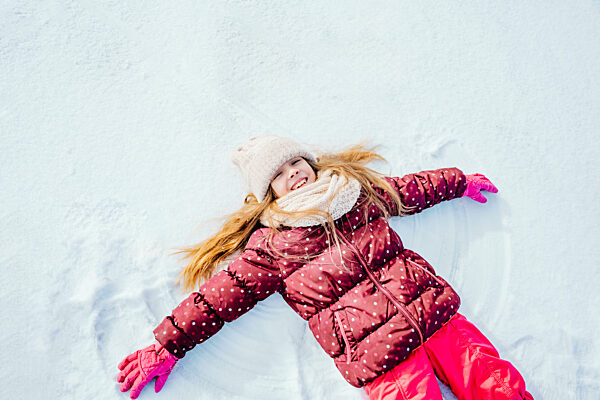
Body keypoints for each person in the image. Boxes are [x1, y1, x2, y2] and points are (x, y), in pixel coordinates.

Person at [116, 135, 534, 400]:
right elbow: (220, 296)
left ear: (308, 162)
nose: (292, 175)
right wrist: (167, 344)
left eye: (294, 163)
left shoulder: (354, 194)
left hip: (435, 316)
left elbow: (408, 190)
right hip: (380, 356)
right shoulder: (275, 245)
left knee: (496, 385)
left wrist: (459, 181)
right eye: (278, 175)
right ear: (269, 194)